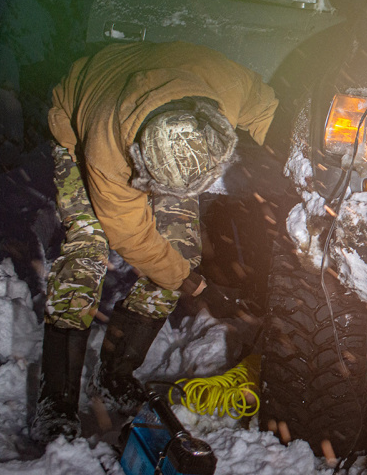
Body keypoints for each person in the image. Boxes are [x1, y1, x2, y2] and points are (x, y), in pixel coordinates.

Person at [34, 40, 279, 441]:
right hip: (81, 125)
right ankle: (56, 402)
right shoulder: (106, 151)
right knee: (86, 257)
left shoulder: (230, 89)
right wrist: (193, 284)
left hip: (173, 104)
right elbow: (130, 236)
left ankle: (114, 375)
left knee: (179, 252)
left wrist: (304, 171)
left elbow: (272, 112)